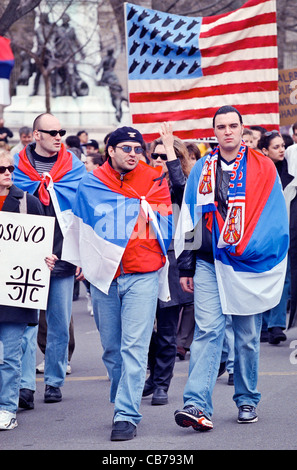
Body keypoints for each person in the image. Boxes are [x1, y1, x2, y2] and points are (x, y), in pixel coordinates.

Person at [174, 105, 289, 431]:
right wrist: (186, 265)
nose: (227, 131)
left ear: (242, 130)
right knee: (208, 331)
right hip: (210, 263)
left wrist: (262, 254)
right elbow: (189, 217)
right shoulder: (201, 170)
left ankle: (247, 399)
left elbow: (274, 215)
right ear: (215, 132)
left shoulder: (263, 167)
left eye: (233, 125)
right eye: (221, 126)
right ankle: (196, 403)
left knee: (248, 337)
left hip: (247, 266)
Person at [62, 126, 173, 441]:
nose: (132, 154)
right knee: (112, 349)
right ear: (109, 150)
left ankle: (126, 413)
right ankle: (124, 393)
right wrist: (79, 259)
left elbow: (167, 220)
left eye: (137, 149)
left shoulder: (154, 179)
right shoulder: (91, 182)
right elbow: (79, 225)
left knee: (134, 347)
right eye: (125, 148)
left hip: (144, 273)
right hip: (103, 277)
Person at [13, 113, 86, 405]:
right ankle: (25, 385)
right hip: (27, 255)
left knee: (58, 321)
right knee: (27, 323)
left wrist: (82, 254)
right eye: (52, 131)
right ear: (36, 135)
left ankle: (54, 381)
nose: (59, 136)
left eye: (61, 131)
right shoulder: (16, 167)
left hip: (64, 253)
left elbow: (85, 212)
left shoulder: (75, 167)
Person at [0, 149, 57, 430]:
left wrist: (48, 258)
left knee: (10, 354)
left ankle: (7, 407)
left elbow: (44, 241)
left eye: (10, 168)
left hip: (14, 293)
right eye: (1, 169)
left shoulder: (27, 202)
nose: (7, 173)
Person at [143, 123, 193, 405]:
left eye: (166, 157)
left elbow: (181, 188)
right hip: (143, 260)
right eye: (156, 156)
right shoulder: (141, 181)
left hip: (172, 263)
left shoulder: (181, 187)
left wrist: (172, 158)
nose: (159, 161)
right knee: (140, 328)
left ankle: (162, 383)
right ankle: (152, 375)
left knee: (166, 329)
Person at [258, 130, 297, 342]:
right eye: (276, 146)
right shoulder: (256, 173)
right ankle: (262, 324)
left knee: (284, 279)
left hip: (283, 232)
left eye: (283, 145)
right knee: (263, 276)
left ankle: (276, 325)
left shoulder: (290, 173)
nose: (282, 149)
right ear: (264, 151)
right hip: (260, 233)